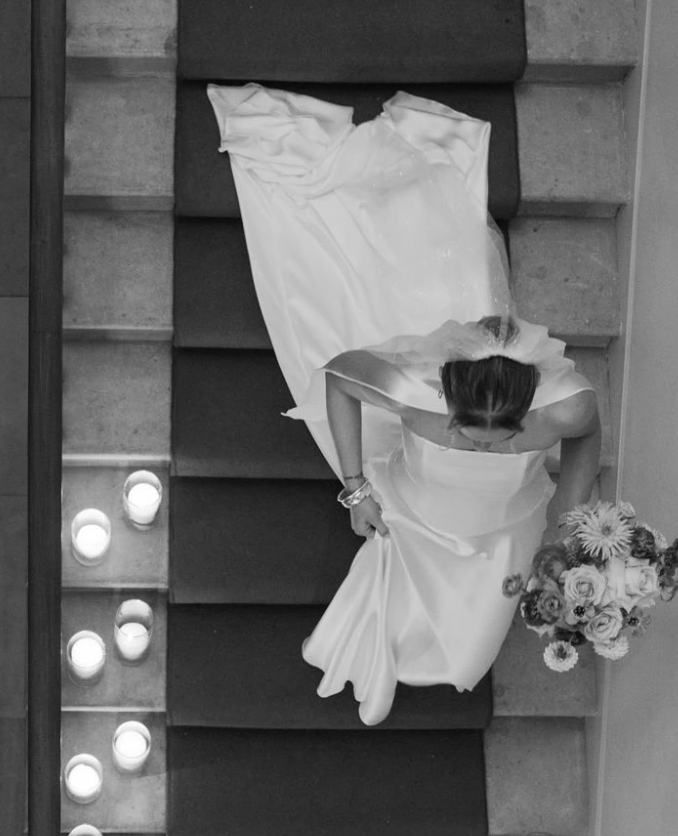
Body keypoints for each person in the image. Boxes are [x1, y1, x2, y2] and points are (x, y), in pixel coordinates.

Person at [210, 81, 602, 725]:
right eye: (465, 427)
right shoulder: (414, 395)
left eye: (492, 435)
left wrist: (567, 512)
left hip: (509, 520)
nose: (476, 440)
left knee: (468, 650)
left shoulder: (566, 409)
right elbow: (338, 378)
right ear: (446, 398)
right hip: (414, 504)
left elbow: (588, 438)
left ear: (527, 412)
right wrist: (357, 489)